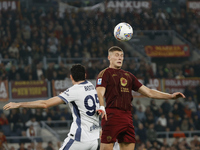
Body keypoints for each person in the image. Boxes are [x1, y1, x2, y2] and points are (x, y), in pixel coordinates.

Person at [96, 46, 185, 150]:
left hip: (127, 117)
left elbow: (149, 92)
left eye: (122, 56)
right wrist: (102, 106)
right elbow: (99, 92)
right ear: (109, 57)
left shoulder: (128, 75)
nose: (120, 58)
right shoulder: (105, 73)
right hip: (112, 115)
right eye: (117, 55)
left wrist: (170, 96)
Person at [3, 64, 101, 150]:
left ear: (71, 77)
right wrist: (66, 98)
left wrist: (19, 104)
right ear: (85, 75)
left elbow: (45, 104)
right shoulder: (91, 86)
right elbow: (81, 102)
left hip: (80, 139)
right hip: (94, 140)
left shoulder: (73, 91)